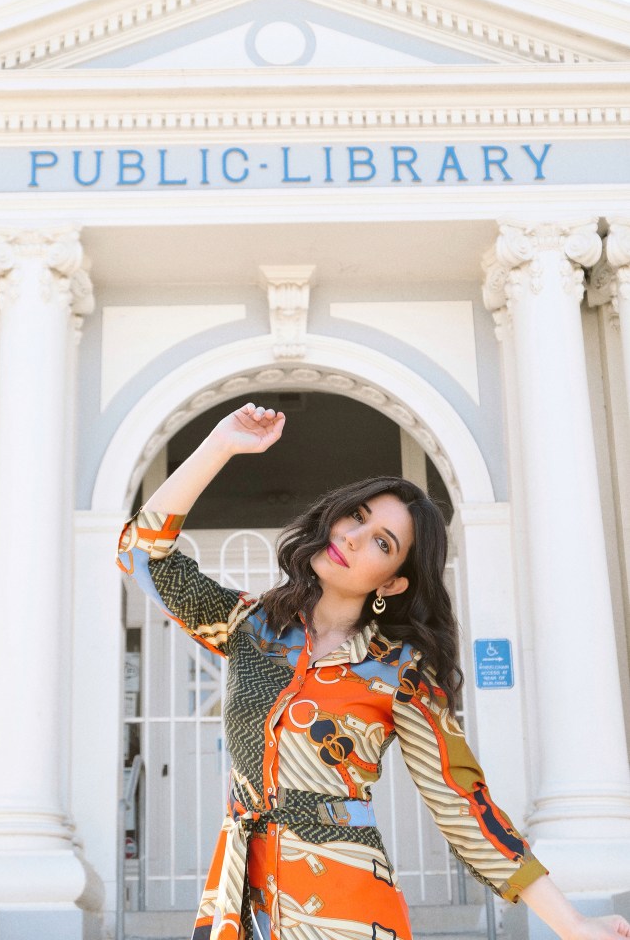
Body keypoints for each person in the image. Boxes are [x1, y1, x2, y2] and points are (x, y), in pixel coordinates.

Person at [116, 401, 630, 940]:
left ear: (392, 582)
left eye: (383, 543)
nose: (355, 538)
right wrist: (219, 444)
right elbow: (142, 556)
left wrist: (572, 925)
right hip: (240, 899)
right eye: (357, 517)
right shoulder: (251, 626)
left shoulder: (400, 673)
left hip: (345, 906)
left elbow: (462, 804)